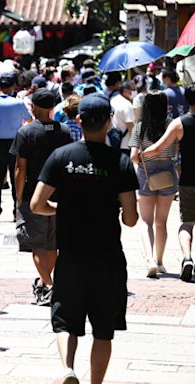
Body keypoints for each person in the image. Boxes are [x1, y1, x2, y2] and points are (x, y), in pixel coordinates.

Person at [30, 93, 139, 384]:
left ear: (78, 120)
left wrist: (61, 208)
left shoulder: (61, 157)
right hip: (108, 260)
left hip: (71, 257)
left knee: (65, 320)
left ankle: (67, 368)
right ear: (108, 123)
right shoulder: (121, 163)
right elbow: (130, 219)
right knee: (103, 330)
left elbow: (37, 204)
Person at [10, 89, 72, 306]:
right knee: (52, 244)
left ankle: (49, 284)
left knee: (36, 244)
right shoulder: (64, 131)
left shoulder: (25, 133)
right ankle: (45, 284)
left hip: (32, 195)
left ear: (34, 107)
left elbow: (20, 168)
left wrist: (18, 198)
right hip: (59, 195)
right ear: (52, 107)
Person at [142, 84, 195, 282]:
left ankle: (187, 257)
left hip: (189, 179)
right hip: (181, 179)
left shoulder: (179, 123)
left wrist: (143, 154)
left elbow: (158, 147)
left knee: (187, 224)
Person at [129, 91, 177, 278]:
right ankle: (160, 261)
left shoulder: (140, 127)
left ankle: (149, 260)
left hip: (146, 176)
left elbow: (133, 156)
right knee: (161, 222)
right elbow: (174, 151)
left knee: (146, 222)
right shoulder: (171, 125)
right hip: (167, 175)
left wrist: (143, 160)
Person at [0, 72, 32, 222]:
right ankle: (17, 211)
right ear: (13, 87)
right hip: (15, 142)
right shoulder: (18, 102)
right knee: (16, 177)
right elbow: (29, 119)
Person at [110, 80, 137, 155]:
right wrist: (135, 145)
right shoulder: (127, 105)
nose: (135, 92)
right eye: (133, 90)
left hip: (114, 140)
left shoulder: (113, 100)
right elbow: (130, 126)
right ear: (125, 91)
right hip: (126, 145)